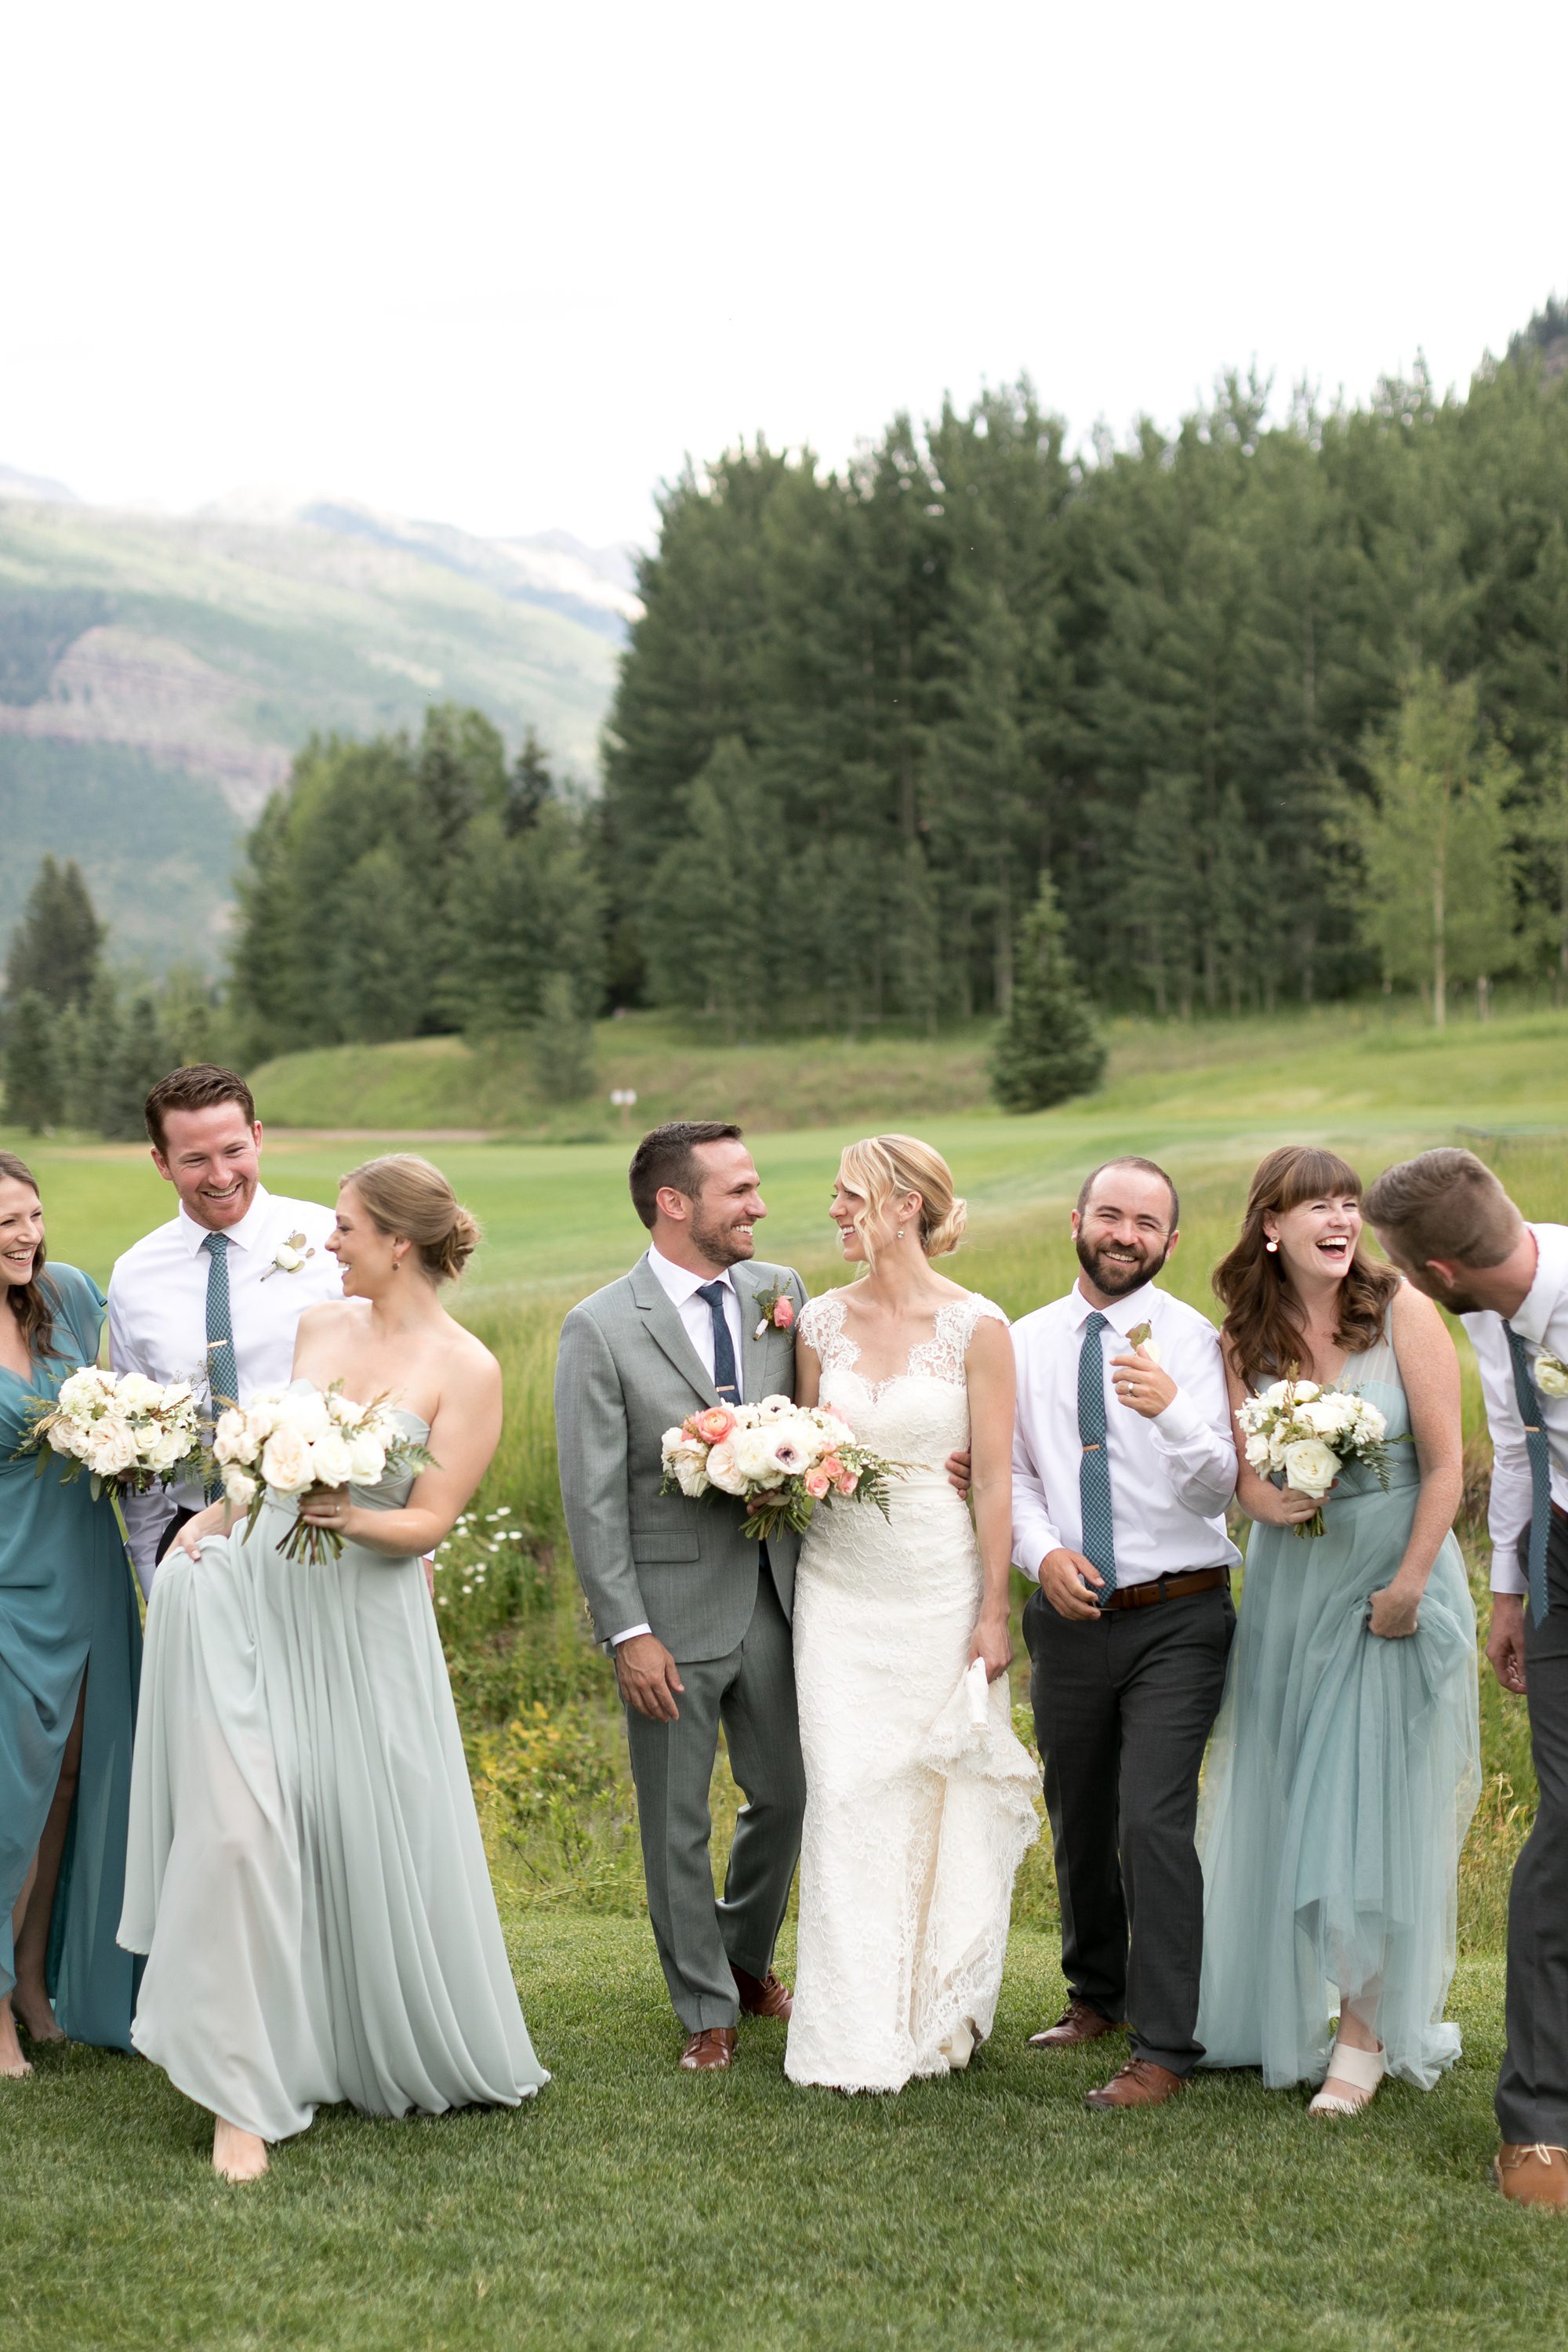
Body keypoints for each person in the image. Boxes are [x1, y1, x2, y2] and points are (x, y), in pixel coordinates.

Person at [119, 1155, 547, 2181]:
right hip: (252, 1602)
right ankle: (238, 2095)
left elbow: (429, 1523)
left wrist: (349, 1515)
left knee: (354, 1837)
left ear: (399, 1242)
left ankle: (342, 2046)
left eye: (348, 1227)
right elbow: (257, 1468)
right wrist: (201, 1530)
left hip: (365, 1626)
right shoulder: (319, 1325)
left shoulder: (469, 1370)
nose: (330, 1241)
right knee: (238, 1834)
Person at [1196, 1146, 1479, 2115]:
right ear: (1270, 1227)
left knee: (1370, 1800)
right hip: (1292, 1582)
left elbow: (1444, 1466)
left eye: (1348, 1203)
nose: (1339, 1219)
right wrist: (1260, 1501)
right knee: (1292, 1790)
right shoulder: (1241, 1335)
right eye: (1315, 1204)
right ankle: (1287, 2009)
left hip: (1389, 1582)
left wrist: (1409, 1586)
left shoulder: (1401, 1310)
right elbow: (1242, 1471)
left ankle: (1361, 2037)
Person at [786, 1136, 1038, 2094]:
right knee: (844, 1794)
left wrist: (992, 1611)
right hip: (836, 1590)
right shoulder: (817, 1322)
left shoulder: (977, 1327)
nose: (835, 1211)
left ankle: (933, 2010)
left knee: (934, 1794)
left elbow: (994, 1481)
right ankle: (848, 2026)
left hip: (937, 1587)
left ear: (903, 1207)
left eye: (849, 1195)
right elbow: (804, 1449)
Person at [554, 1122, 808, 2071]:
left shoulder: (781, 1293)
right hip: (664, 1613)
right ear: (673, 1203)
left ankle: (741, 1956)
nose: (757, 1206)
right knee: (675, 1819)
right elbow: (590, 1496)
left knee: (787, 1794)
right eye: (737, 1191)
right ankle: (705, 2005)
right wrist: (627, 1631)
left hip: (776, 1596)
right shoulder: (598, 1326)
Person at [1011, 1156, 1239, 2111]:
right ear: (1076, 1222)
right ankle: (1093, 1996)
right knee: (1079, 1807)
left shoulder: (1198, 1344)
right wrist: (1040, 1556)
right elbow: (1013, 1473)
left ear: (1169, 1242)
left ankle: (1164, 2045)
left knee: (1151, 1818)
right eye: (1110, 1215)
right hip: (1068, 1612)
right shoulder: (1022, 1341)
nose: (1124, 1235)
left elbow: (1223, 1485)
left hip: (1177, 1614)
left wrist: (1173, 1412)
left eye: (1146, 1224)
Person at [1365, 1148, 1568, 2205]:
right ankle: (1539, 2123)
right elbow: (1522, 1443)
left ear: (1434, 1274)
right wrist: (1509, 1593)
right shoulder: (1492, 1312)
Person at [0, 1151, 142, 2076]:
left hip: (87, 1567)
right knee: (7, 1796)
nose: (27, 1236)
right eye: (5, 1223)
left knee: (68, 1786)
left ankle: (33, 1982)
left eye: (33, 1215)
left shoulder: (69, 1294)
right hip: (8, 1584)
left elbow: (122, 1398)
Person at [108, 1065, 341, 1596]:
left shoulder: (331, 1240)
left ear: (257, 1137)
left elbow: (397, 1389)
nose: (220, 1176)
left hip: (319, 1533)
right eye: (195, 1160)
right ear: (162, 1163)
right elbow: (138, 1451)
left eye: (234, 1151)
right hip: (193, 1547)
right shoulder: (134, 1275)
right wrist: (154, 1571)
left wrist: (419, 1552)